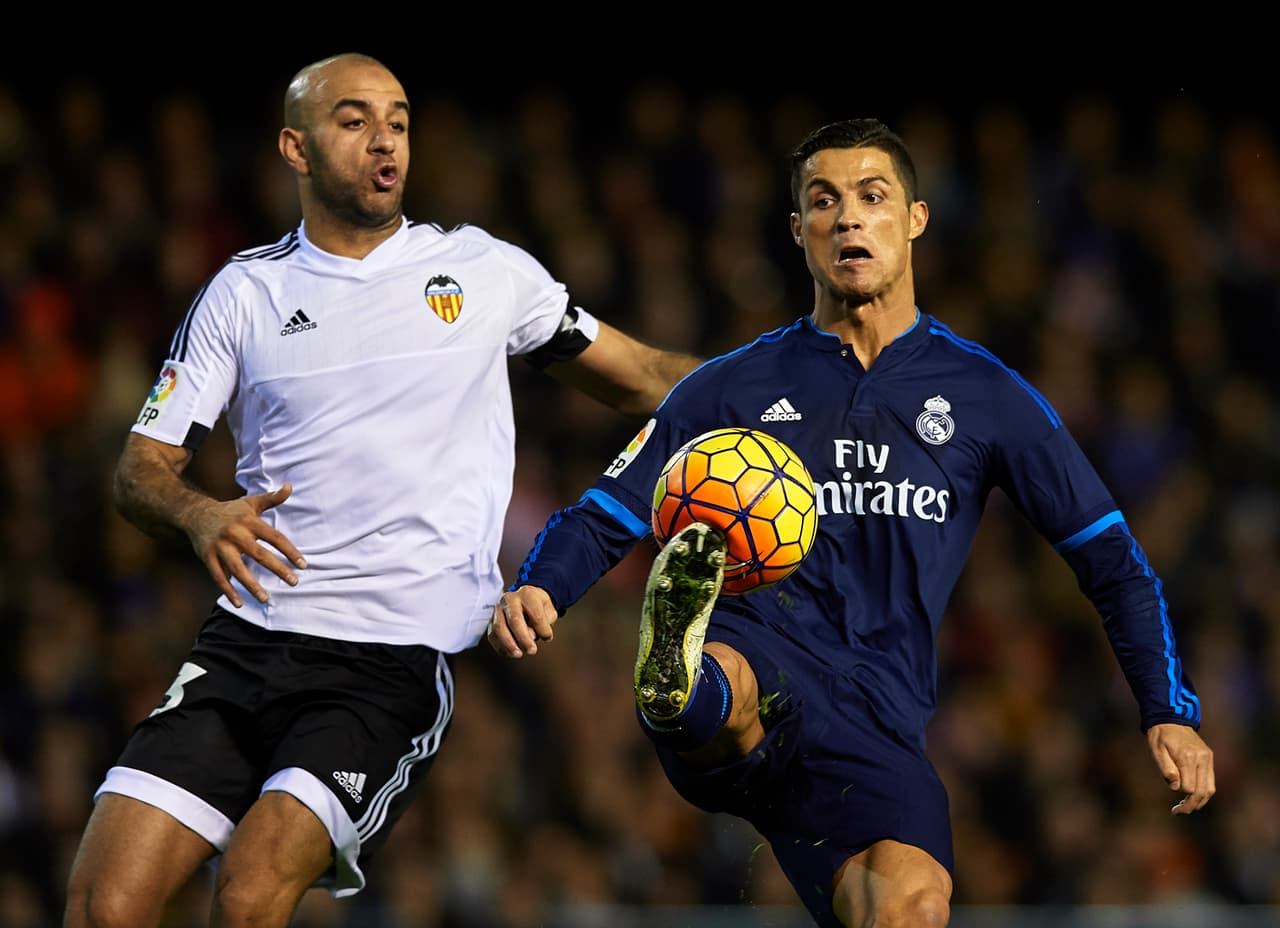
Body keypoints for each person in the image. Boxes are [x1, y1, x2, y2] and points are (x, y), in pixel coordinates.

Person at [488, 118, 1216, 928]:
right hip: (760, 651)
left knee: (914, 907)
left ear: (915, 218)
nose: (848, 219)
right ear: (798, 229)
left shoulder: (985, 395)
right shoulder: (733, 386)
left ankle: (691, 693)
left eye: (872, 197)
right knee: (729, 684)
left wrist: (1167, 709)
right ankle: (683, 685)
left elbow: (1112, 562)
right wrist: (542, 588)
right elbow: (606, 509)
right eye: (824, 201)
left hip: (878, 715)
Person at [62, 53, 699, 928]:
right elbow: (139, 468)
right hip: (247, 642)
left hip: (387, 664)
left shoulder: (482, 271)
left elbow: (644, 377)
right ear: (296, 148)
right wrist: (199, 514)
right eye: (354, 120)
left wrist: (786, 386)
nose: (385, 140)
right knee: (103, 904)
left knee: (248, 893)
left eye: (397, 120)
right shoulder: (245, 292)